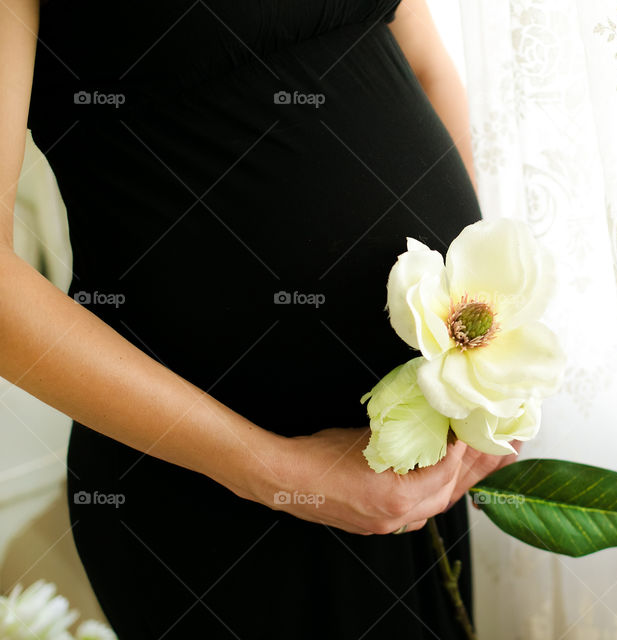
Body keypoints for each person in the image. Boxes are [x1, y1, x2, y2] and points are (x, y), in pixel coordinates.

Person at [0, 0, 513, 637]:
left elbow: (426, 64)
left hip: (411, 448)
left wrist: (482, 345)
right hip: (213, 493)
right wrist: (279, 475)